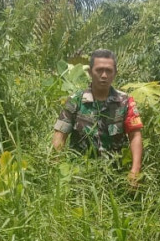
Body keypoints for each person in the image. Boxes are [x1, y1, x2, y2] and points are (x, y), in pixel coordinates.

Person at [52, 49, 143, 185]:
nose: (104, 75)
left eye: (109, 71)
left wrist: (135, 171)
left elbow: (135, 135)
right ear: (90, 72)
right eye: (99, 70)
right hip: (79, 176)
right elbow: (60, 135)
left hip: (115, 177)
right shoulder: (75, 100)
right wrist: (55, 168)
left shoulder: (125, 101)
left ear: (115, 73)